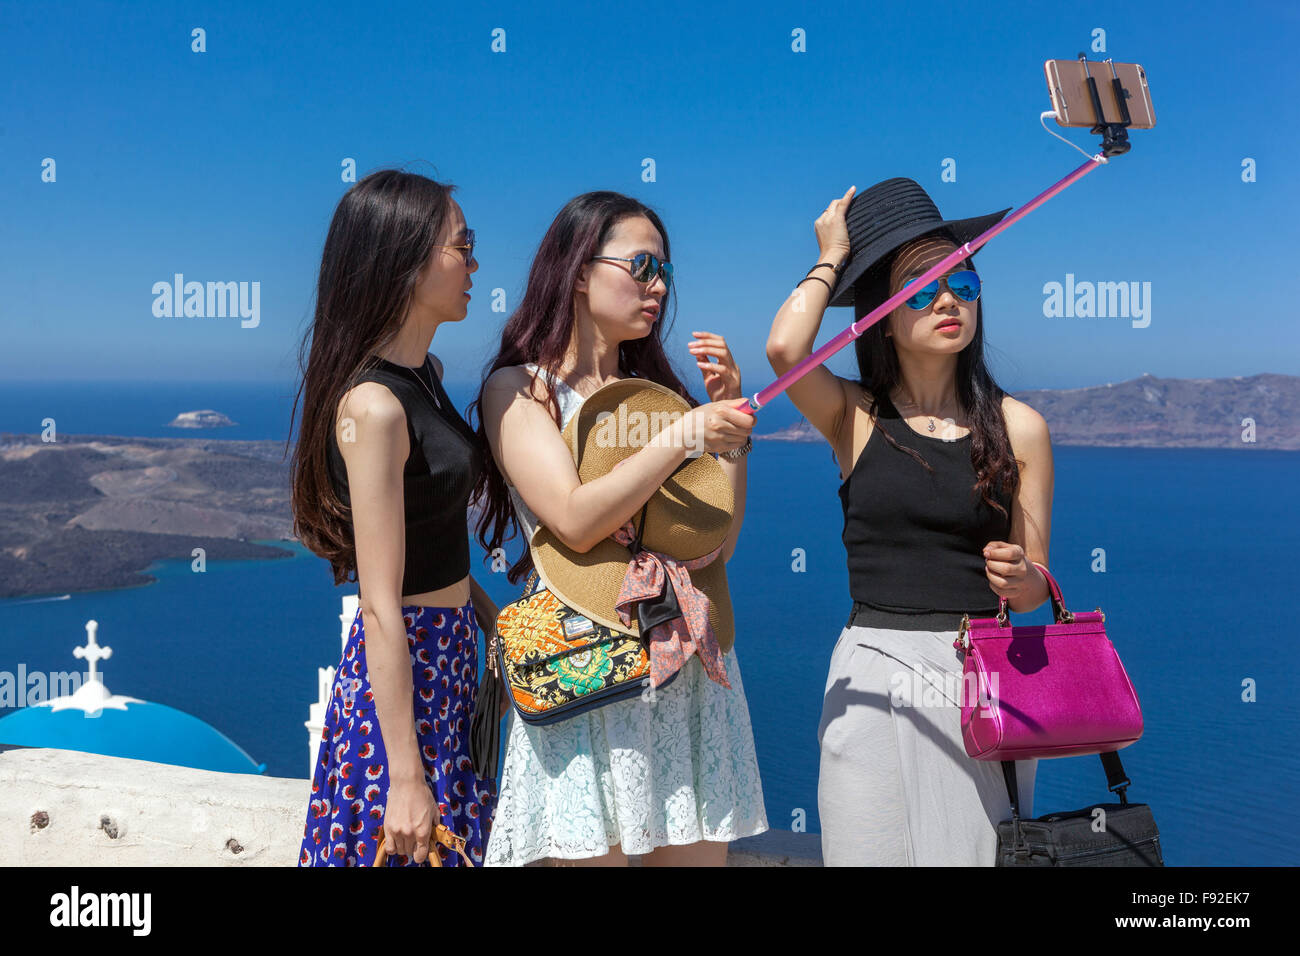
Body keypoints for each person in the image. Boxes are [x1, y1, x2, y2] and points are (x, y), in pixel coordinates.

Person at [470, 190, 769, 866]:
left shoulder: (658, 401)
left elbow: (716, 546)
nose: (657, 286)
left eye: (664, 271)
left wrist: (726, 437)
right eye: (641, 265)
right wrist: (685, 433)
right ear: (579, 270)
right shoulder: (520, 390)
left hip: (685, 666)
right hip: (584, 667)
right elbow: (574, 520)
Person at [765, 178, 1054, 866]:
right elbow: (783, 350)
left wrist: (1022, 576)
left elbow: (1039, 585)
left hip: (978, 672)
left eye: (962, 280)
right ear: (881, 315)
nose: (948, 298)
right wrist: (832, 256)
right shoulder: (853, 415)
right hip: (868, 667)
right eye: (919, 288)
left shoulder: (1022, 428)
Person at [289, 169, 498, 866]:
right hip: (401, 693)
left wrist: (492, 618)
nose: (474, 264)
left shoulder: (425, 378)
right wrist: (404, 779)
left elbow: (431, 543)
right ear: (404, 260)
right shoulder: (373, 408)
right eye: (461, 247)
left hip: (447, 664)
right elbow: (380, 607)